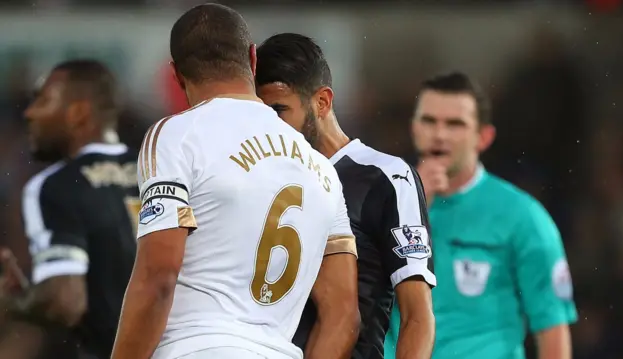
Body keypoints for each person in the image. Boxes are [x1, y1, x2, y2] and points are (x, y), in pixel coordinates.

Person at [111, 5, 359, 359]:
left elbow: (158, 276)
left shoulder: (175, 136)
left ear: (177, 75)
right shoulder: (323, 170)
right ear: (252, 59)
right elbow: (344, 315)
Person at [256, 33, 436, 359]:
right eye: (262, 114)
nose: (270, 126)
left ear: (322, 102)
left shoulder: (385, 178)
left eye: (279, 110)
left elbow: (417, 315)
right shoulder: (260, 179)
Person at [386, 72, 577, 359]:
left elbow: (552, 327)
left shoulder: (522, 216)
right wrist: (411, 204)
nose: (439, 134)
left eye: (455, 124)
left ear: (483, 137)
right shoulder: (379, 204)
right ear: (414, 128)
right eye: (429, 121)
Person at [1, 59, 139, 359]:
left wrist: (16, 301)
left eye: (43, 100)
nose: (29, 112)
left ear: (78, 113)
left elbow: (65, 300)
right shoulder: (159, 169)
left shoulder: (56, 185)